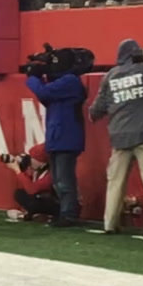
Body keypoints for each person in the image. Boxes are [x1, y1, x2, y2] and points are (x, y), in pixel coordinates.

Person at [88, 39, 143, 235]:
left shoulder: (110, 76)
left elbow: (97, 108)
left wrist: (95, 113)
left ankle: (109, 223)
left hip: (119, 136)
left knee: (115, 181)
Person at [26, 49, 88, 227]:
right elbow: (45, 96)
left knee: (64, 179)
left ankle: (69, 214)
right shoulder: (64, 83)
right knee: (59, 180)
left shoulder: (70, 81)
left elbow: (44, 93)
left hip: (66, 137)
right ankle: (65, 212)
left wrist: (33, 77)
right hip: (58, 136)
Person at [0, 144, 58, 220]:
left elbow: (32, 189)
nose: (30, 160)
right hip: (43, 198)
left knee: (34, 202)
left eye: (32, 158)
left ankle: (44, 214)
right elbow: (28, 185)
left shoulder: (51, 174)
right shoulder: (38, 170)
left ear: (41, 161)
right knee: (19, 193)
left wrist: (17, 170)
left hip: (55, 203)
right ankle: (37, 213)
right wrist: (21, 168)